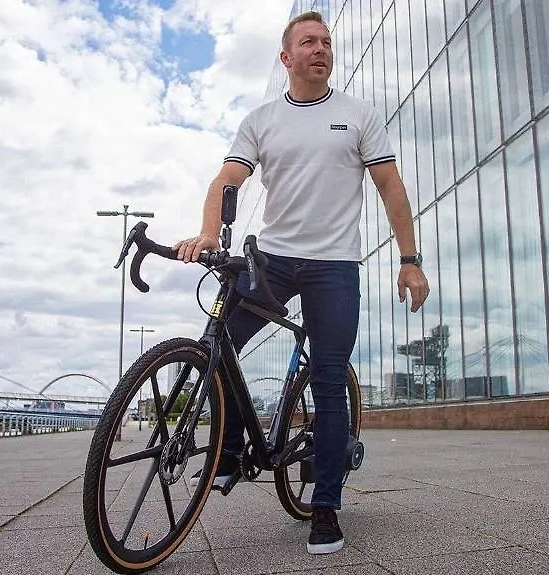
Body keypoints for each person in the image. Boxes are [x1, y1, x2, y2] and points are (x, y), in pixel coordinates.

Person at [174, 10, 429, 555]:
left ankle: (325, 507)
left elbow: (391, 188)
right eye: (309, 42)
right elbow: (227, 179)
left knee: (328, 378)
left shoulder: (358, 115)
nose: (321, 49)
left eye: (326, 42)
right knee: (217, 344)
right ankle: (230, 446)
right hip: (272, 261)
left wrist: (410, 259)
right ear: (286, 57)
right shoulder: (261, 120)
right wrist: (207, 233)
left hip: (334, 265)